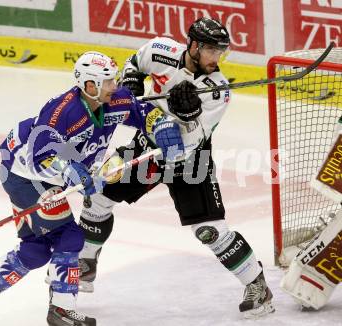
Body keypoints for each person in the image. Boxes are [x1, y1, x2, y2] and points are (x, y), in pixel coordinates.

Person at [0, 51, 186, 326]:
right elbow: (41, 154)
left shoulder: (115, 99)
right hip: (27, 175)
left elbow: (142, 112)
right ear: (90, 86)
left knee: (37, 249)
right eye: (109, 81)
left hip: (46, 175)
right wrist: (69, 170)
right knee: (71, 237)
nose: (116, 85)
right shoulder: (62, 111)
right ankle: (61, 309)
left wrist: (162, 127)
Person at [74, 18, 275, 319]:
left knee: (209, 231)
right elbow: (134, 63)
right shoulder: (160, 50)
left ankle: (257, 286)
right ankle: (87, 263)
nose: (215, 59)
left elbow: (191, 142)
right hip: (149, 146)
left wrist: (188, 114)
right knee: (98, 196)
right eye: (210, 51)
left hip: (189, 159)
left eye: (220, 52)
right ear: (193, 45)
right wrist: (131, 84)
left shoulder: (217, 90)